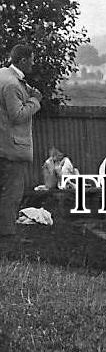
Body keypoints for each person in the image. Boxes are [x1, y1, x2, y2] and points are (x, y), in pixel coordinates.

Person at [0, 44, 42, 244]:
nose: (33, 63)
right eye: (32, 59)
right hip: (12, 147)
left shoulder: (4, 75)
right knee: (12, 193)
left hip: (2, 144)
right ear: (23, 60)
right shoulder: (13, 84)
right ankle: (6, 236)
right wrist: (35, 101)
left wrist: (27, 92)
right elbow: (17, 115)